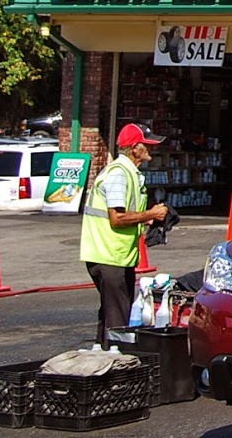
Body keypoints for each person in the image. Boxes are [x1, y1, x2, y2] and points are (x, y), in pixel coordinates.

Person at [79, 123, 169, 346]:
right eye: (147, 145)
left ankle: (102, 356)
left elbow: (123, 213)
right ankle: (118, 365)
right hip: (109, 254)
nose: (152, 149)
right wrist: (152, 213)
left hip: (115, 255)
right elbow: (117, 218)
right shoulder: (119, 174)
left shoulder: (128, 172)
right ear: (135, 148)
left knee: (112, 312)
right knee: (118, 316)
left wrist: (148, 218)